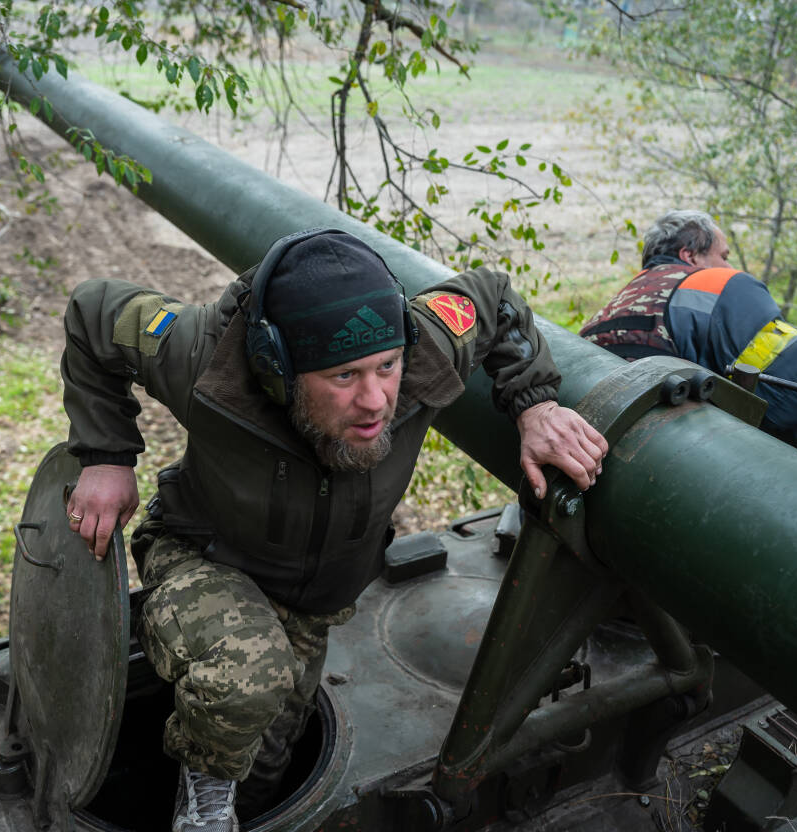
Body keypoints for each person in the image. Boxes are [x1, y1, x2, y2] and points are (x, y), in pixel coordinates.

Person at [59, 228, 608, 832]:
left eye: (387, 367)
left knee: (270, 756)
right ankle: (200, 801)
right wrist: (105, 455)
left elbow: (496, 297)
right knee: (246, 678)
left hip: (316, 600)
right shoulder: (202, 353)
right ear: (279, 366)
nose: (376, 401)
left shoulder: (425, 341)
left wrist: (535, 403)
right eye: (344, 377)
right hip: (204, 553)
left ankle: (242, 801)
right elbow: (94, 310)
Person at [579, 210, 797, 440]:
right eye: (724, 256)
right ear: (690, 256)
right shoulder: (717, 285)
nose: (729, 267)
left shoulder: (605, 314)